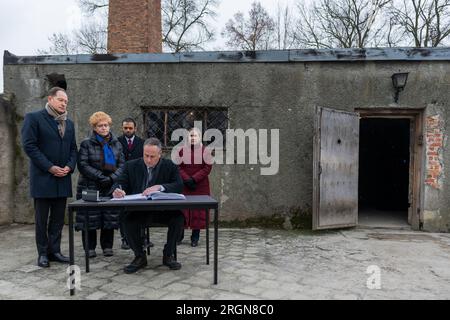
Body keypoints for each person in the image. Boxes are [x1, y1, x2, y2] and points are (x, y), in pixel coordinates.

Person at [21, 87, 77, 268]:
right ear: (51, 99)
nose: (64, 104)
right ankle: (43, 254)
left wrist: (69, 166)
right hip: (43, 179)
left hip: (63, 179)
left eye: (66, 101)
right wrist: (50, 167)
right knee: (42, 220)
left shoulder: (69, 123)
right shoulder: (34, 118)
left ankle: (55, 251)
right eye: (61, 100)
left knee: (58, 219)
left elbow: (73, 149)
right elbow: (30, 147)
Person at [113, 138, 184, 274]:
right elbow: (119, 183)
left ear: (160, 154)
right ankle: (140, 256)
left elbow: (179, 185)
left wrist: (161, 187)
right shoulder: (130, 165)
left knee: (178, 218)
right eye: (146, 155)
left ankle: (168, 254)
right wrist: (118, 190)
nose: (149, 160)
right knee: (127, 220)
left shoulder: (170, 166)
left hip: (163, 210)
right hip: (139, 210)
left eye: (152, 156)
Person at [75, 112, 125, 258]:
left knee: (109, 216)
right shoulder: (86, 143)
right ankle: (89, 248)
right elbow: (82, 164)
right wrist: (100, 176)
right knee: (89, 217)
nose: (103, 128)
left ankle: (107, 246)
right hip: (90, 185)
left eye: (106, 125)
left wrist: (111, 179)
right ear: (94, 127)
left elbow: (122, 165)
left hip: (110, 185)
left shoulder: (117, 143)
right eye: (100, 126)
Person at [117, 117, 150, 250]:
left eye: (130, 128)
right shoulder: (117, 142)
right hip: (124, 179)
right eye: (125, 128)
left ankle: (143, 238)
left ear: (135, 129)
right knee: (124, 211)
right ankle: (125, 239)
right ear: (122, 128)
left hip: (138, 180)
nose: (128, 130)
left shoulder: (142, 143)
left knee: (141, 210)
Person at [177, 127, 212, 247]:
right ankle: (179, 236)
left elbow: (207, 167)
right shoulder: (182, 150)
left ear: (200, 138)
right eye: (191, 136)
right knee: (182, 210)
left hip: (200, 186)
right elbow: (178, 167)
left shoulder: (206, 151)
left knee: (198, 211)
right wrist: (187, 179)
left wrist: (194, 179)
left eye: (195, 136)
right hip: (185, 185)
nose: (193, 138)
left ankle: (195, 237)